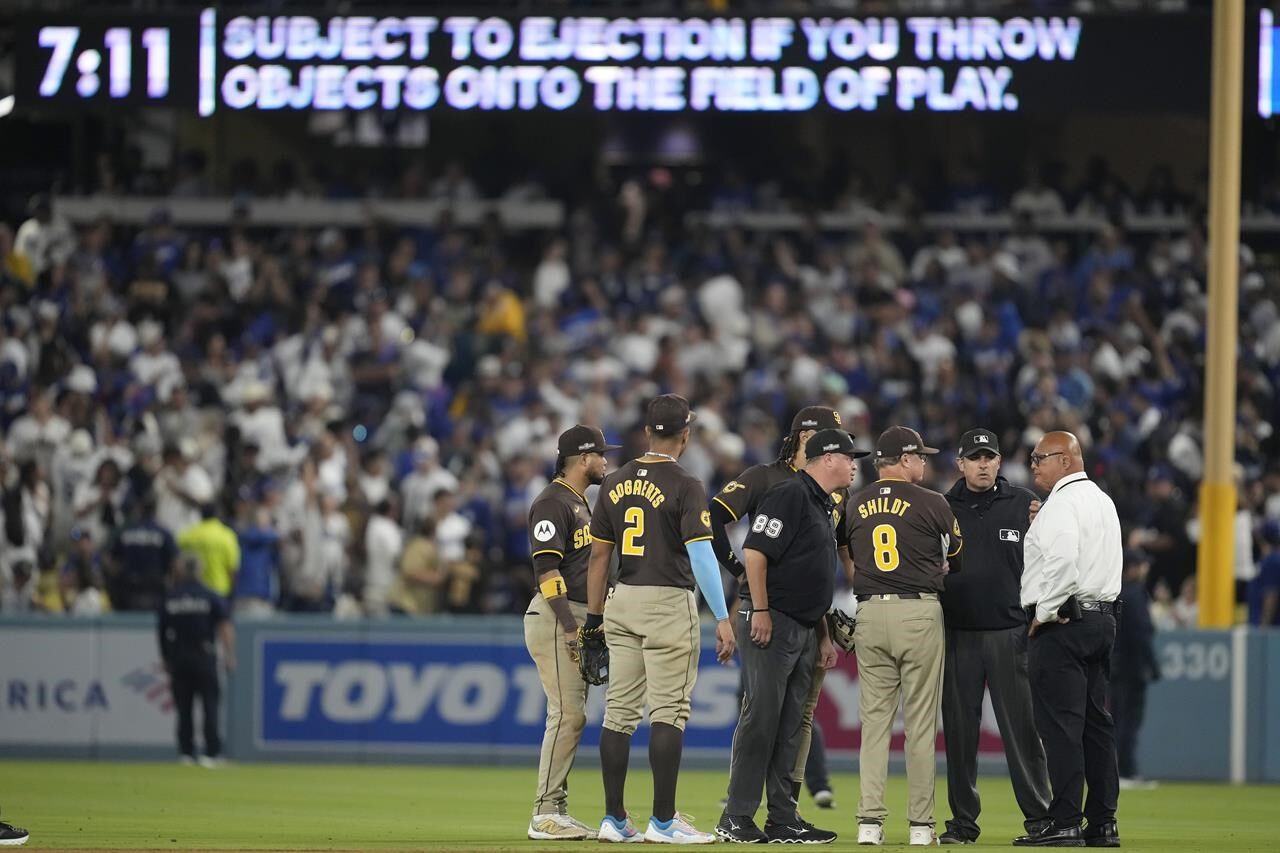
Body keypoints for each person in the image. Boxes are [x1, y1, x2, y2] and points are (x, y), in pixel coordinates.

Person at [585, 394, 736, 844]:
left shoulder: (614, 482)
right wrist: (723, 616)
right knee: (669, 711)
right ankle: (664, 822)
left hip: (622, 598)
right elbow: (702, 553)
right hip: (668, 600)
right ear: (685, 435)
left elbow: (598, 556)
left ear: (648, 431)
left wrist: (594, 618)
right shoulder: (687, 483)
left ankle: (614, 819)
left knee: (619, 714)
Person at [716, 428, 866, 844]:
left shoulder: (822, 504)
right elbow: (755, 553)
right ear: (827, 458)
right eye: (850, 456)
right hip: (772, 619)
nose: (855, 463)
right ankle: (736, 816)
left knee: (790, 726)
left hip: (802, 624)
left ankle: (783, 817)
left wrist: (822, 637)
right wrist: (760, 610)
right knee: (761, 718)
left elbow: (814, 579)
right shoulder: (790, 494)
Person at [847, 426, 963, 847]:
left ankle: (869, 824)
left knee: (874, 726)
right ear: (906, 459)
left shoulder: (855, 503)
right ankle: (920, 826)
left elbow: (847, 551)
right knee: (919, 725)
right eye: (920, 457)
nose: (925, 463)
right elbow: (957, 553)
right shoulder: (933, 501)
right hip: (918, 610)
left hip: (870, 610)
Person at [939, 429, 1052, 845]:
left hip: (1009, 632)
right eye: (975, 457)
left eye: (989, 457)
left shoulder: (1024, 504)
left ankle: (1040, 819)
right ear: (961, 463)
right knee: (959, 733)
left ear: (1000, 461)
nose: (983, 464)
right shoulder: (942, 507)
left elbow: (1045, 560)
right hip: (958, 634)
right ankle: (963, 823)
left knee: (1022, 731)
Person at [1014, 431, 1122, 848]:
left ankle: (1065, 822)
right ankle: (1103, 823)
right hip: (1103, 619)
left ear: (1065, 459)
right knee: (1097, 725)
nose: (1034, 463)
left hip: (1064, 622)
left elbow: (1062, 563)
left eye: (1040, 457)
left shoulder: (1062, 503)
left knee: (1061, 728)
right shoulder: (1103, 500)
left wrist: (1042, 614)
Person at [523, 425, 619, 841]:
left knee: (572, 715)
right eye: (600, 454)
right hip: (556, 615)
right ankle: (545, 812)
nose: (605, 461)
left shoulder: (579, 502)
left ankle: (555, 808)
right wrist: (567, 625)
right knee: (567, 713)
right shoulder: (552, 502)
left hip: (577, 614)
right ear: (583, 459)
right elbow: (547, 569)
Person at [158, 555, 236, 767]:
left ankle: (186, 752)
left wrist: (165, 657)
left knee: (184, 708)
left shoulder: (172, 598)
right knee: (210, 705)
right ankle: (212, 753)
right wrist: (229, 655)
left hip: (179, 656)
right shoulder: (210, 596)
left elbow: (163, 631)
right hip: (204, 655)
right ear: (200, 571)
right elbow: (225, 627)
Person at [1113, 549, 1160, 789]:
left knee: (1119, 719)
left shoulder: (1115, 591)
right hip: (1133, 668)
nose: (1145, 569)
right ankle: (1126, 771)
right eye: (1141, 565)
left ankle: (1119, 771)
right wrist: (1152, 666)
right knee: (1129, 721)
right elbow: (1141, 634)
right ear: (1130, 567)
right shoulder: (1135, 594)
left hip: (1116, 667)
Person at [176, 504, 241, 601]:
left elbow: (177, 563)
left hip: (195, 592)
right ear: (218, 515)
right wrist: (233, 593)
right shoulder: (227, 536)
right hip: (219, 590)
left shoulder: (188, 535)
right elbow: (232, 569)